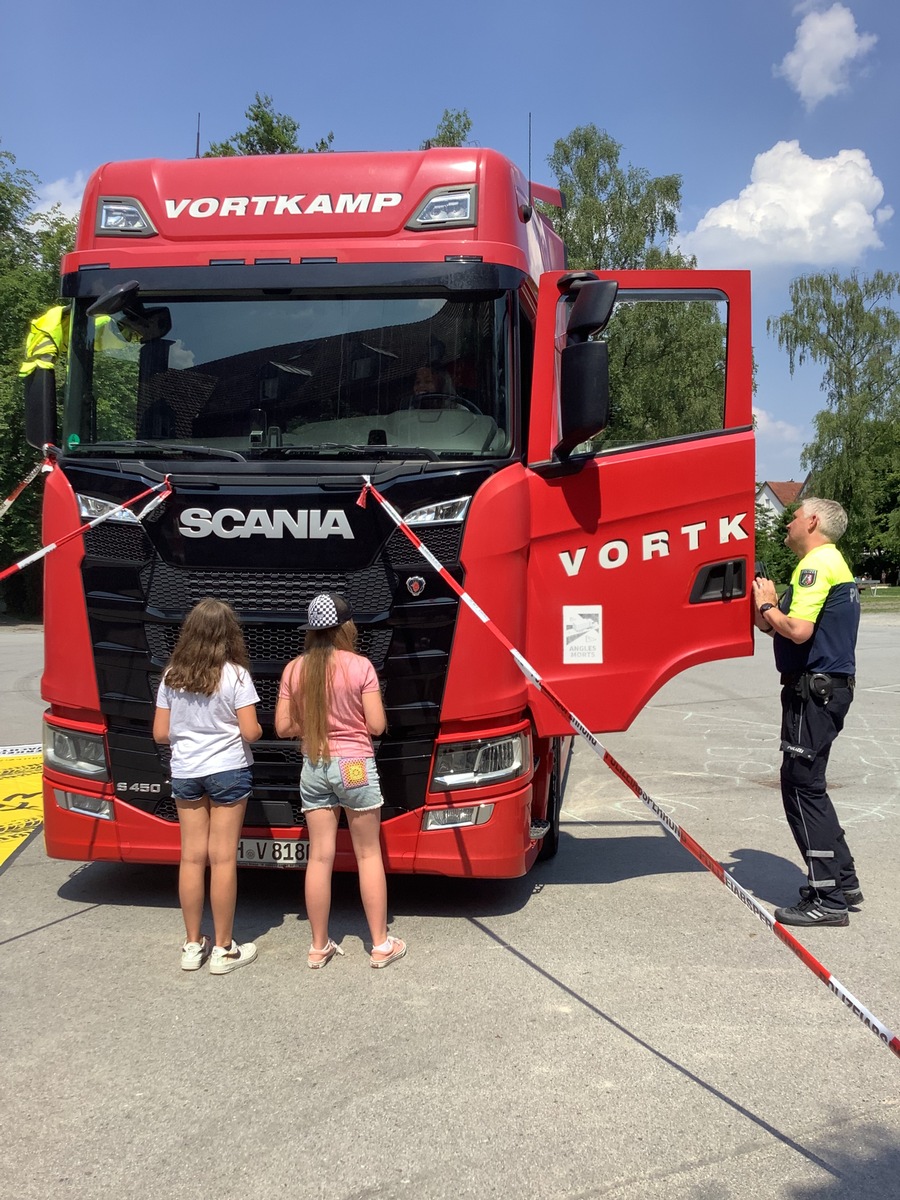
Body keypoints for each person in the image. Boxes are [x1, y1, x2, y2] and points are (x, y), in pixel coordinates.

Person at [275, 592, 406, 969]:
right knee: (367, 854)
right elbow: (378, 725)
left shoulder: (294, 670)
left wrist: (315, 724)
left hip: (313, 766)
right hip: (353, 766)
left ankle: (319, 947)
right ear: (347, 628)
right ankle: (380, 945)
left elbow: (283, 726)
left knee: (319, 856)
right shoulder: (360, 666)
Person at [752, 498, 862, 927]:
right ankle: (844, 880)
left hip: (813, 692)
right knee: (809, 783)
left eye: (794, 516)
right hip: (824, 691)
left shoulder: (817, 564)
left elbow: (797, 631)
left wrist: (766, 606)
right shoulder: (829, 563)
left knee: (802, 786)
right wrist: (765, 602)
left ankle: (829, 897)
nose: (788, 522)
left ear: (813, 521)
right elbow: (778, 623)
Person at [153, 597, 262, 972]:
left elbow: (160, 733)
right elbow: (250, 730)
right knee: (223, 858)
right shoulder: (236, 675)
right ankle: (224, 948)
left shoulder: (171, 675)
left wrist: (191, 734)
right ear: (229, 634)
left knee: (191, 857)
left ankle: (191, 945)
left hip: (186, 770)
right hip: (229, 769)